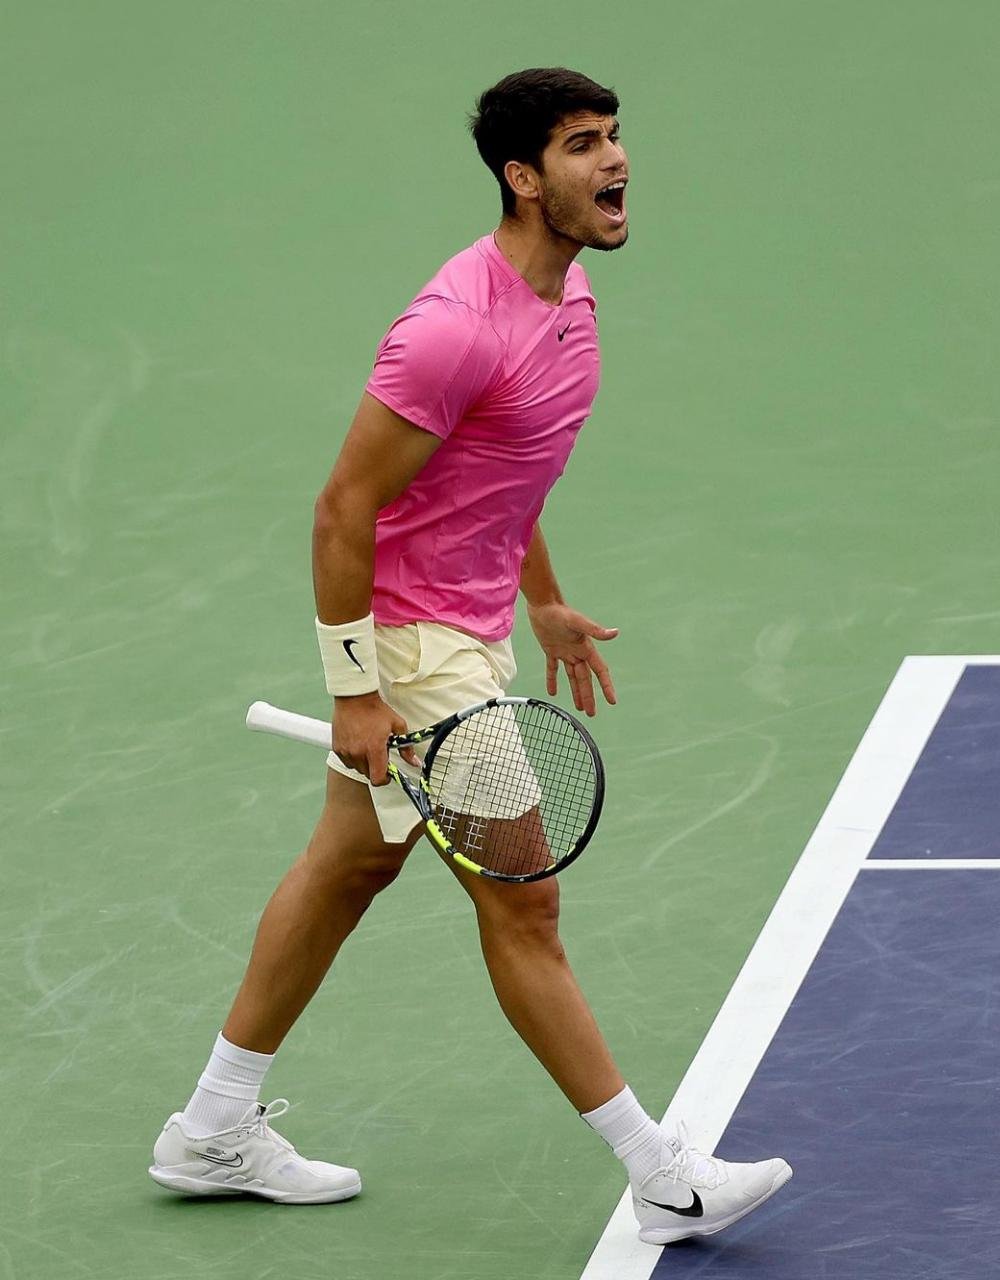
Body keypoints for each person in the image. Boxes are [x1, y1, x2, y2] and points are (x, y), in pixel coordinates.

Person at [149, 66, 791, 1243]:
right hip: (415, 650)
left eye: (614, 138)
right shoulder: (452, 329)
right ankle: (663, 1176)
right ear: (522, 177)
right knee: (527, 906)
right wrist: (357, 691)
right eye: (583, 145)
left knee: (349, 869)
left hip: (470, 630)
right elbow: (344, 509)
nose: (615, 162)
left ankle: (210, 1124)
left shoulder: (570, 301)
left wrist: (540, 599)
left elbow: (499, 469)